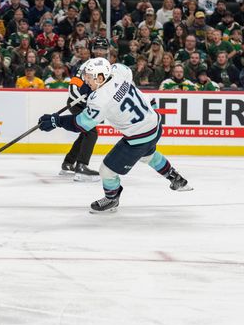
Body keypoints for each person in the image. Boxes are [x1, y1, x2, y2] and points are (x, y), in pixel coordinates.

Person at [38, 58, 192, 213]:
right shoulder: (119, 72)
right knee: (148, 155)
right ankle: (175, 177)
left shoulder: (99, 100)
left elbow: (80, 124)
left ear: (99, 78)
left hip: (138, 136)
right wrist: (94, 86)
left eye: (89, 77)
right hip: (155, 124)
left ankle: (112, 198)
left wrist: (55, 121)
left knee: (107, 171)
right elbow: (112, 79)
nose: (85, 80)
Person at [60, 59, 99, 181]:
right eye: (98, 49)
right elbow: (73, 89)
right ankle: (81, 166)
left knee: (86, 133)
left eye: (103, 49)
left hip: (88, 105)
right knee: (91, 132)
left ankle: (68, 163)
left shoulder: (105, 66)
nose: (100, 51)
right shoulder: (86, 65)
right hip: (77, 104)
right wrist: (88, 100)